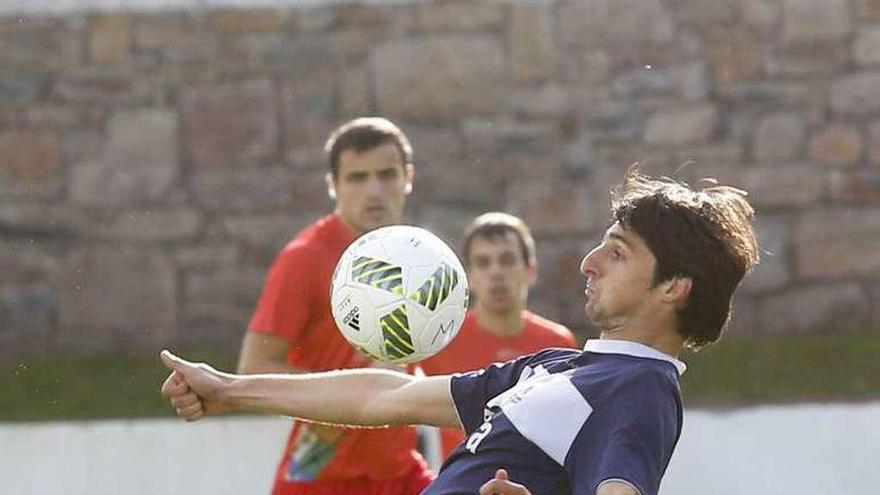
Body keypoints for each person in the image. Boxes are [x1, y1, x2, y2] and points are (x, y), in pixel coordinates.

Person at [162, 166, 760, 495]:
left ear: (673, 288)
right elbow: (386, 395)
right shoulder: (555, 366)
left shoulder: (639, 388)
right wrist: (229, 389)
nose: (588, 263)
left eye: (619, 253)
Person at [236, 117, 434, 495]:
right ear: (333, 185)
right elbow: (253, 369)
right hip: (324, 472)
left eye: (387, 174)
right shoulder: (305, 258)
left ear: (408, 177)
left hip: (401, 470)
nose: (374, 190)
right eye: (357, 178)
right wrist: (350, 394)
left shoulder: (419, 256)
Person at [418, 212, 577, 458]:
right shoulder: (440, 338)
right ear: (469, 278)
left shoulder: (558, 344)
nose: (496, 273)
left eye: (507, 260)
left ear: (530, 270)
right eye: (483, 263)